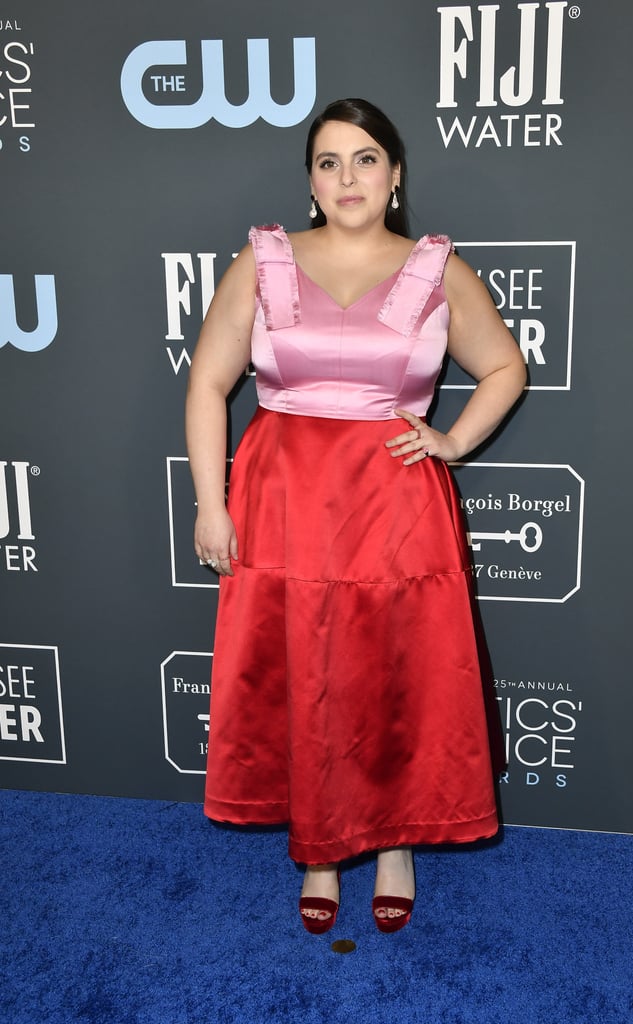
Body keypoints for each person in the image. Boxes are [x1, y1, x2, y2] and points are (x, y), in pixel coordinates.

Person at [185, 98, 526, 935]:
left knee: (393, 672)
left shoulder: (436, 268)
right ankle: (320, 850)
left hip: (393, 504)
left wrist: (452, 441)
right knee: (308, 671)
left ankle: (395, 842)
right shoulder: (263, 260)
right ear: (309, 180)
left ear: (396, 173)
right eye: (330, 161)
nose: (348, 177)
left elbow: (505, 366)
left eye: (366, 158)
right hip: (284, 504)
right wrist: (209, 503)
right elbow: (206, 382)